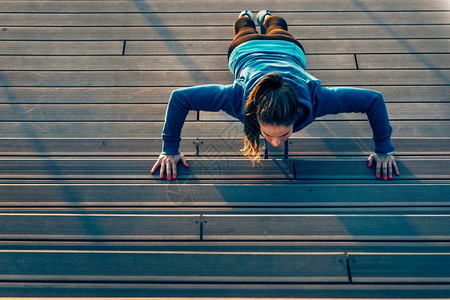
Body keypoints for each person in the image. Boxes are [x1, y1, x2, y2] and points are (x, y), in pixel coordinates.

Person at [151, 10, 400, 181]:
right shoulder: (236, 96)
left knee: (277, 26)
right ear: (253, 113)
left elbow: (373, 100)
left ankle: (267, 16)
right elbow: (180, 98)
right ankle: (246, 17)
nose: (275, 142)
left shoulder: (316, 99)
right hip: (246, 48)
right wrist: (169, 149)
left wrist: (384, 149)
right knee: (243, 28)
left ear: (297, 112)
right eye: (268, 133)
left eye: (284, 134)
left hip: (287, 48)